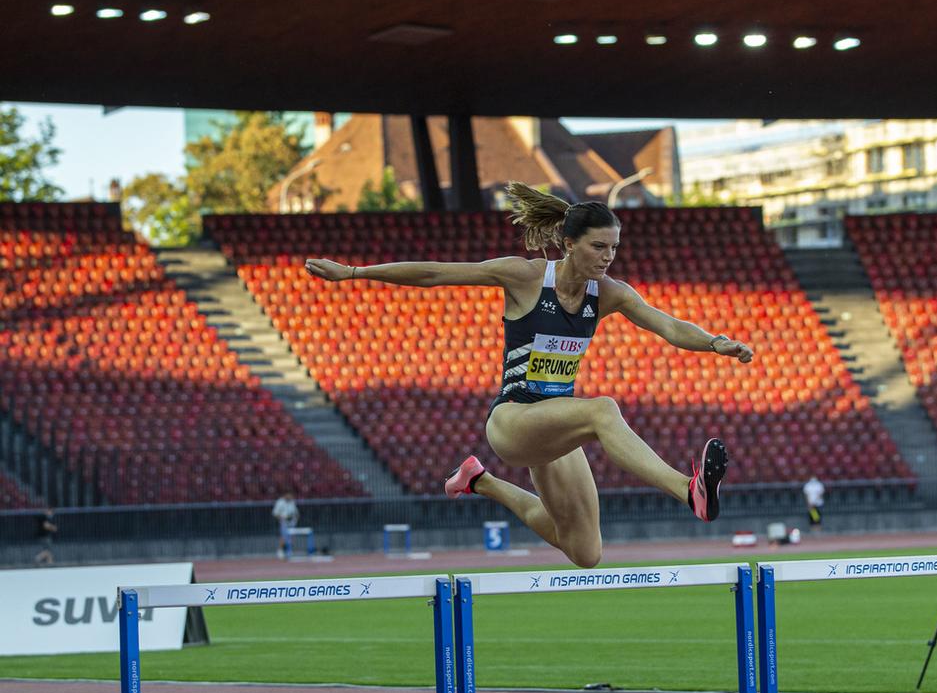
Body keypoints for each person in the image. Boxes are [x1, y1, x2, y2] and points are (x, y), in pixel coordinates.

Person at [305, 182, 754, 568]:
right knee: (603, 410)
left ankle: (480, 481)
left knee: (585, 551)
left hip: (554, 425)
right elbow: (436, 273)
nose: (608, 257)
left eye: (614, 247)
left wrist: (715, 342)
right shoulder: (524, 276)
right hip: (514, 420)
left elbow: (670, 326)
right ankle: (688, 490)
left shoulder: (611, 293)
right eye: (599, 246)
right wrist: (354, 272)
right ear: (570, 243)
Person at [272, 492, 299, 558]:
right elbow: (275, 513)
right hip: (284, 522)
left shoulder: (292, 502)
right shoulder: (280, 502)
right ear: (285, 495)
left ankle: (289, 551)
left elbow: (295, 512)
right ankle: (280, 551)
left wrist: (295, 519)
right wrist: (282, 519)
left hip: (292, 522)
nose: (291, 496)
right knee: (284, 537)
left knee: (290, 537)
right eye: (289, 495)